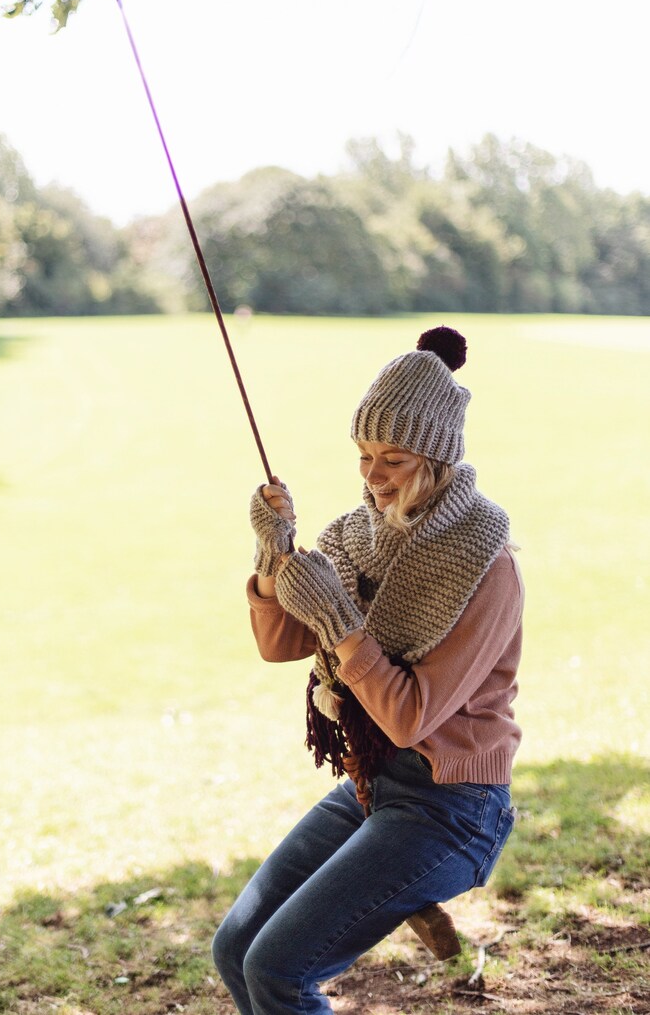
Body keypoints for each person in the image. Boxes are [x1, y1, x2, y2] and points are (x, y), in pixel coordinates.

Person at [212, 326, 523, 1015]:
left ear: (436, 458)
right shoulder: (355, 535)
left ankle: (403, 882)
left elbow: (409, 714)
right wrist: (274, 558)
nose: (370, 474)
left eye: (392, 457)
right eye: (363, 454)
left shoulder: (486, 562)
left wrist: (345, 625)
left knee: (278, 970)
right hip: (372, 779)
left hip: (453, 806)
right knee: (235, 949)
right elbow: (283, 642)